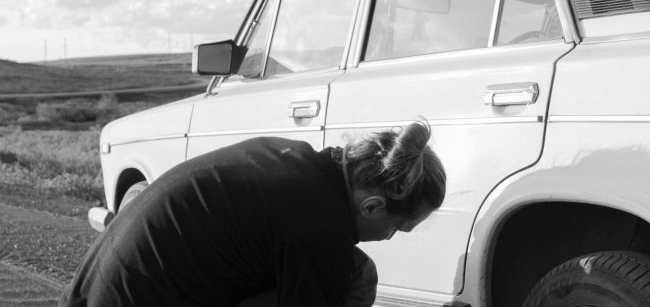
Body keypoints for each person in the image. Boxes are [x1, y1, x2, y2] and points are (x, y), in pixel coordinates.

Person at [59, 121, 446, 307]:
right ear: (373, 206)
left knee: (353, 270)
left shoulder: (292, 158)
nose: (392, 237)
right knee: (355, 278)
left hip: (87, 295)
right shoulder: (319, 224)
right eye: (400, 228)